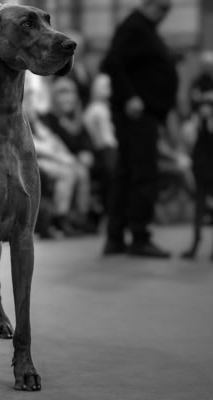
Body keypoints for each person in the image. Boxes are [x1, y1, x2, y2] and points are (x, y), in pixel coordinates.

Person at [100, 0, 178, 258]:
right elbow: (112, 62)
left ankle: (115, 238)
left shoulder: (143, 28)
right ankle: (139, 237)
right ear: (151, 5)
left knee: (126, 174)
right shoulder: (134, 27)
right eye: (163, 9)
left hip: (142, 115)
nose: (165, 15)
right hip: (136, 115)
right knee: (143, 175)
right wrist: (130, 96)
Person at [40, 77, 96, 233]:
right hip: (58, 160)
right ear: (53, 96)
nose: (67, 98)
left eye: (70, 93)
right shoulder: (48, 119)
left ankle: (80, 218)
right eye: (61, 93)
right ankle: (63, 219)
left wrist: (87, 153)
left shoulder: (78, 119)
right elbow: (52, 146)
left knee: (83, 171)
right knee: (75, 173)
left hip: (73, 161)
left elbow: (86, 143)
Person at [83, 73, 118, 217]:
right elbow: (105, 139)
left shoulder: (101, 107)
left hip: (106, 151)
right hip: (103, 152)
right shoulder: (97, 109)